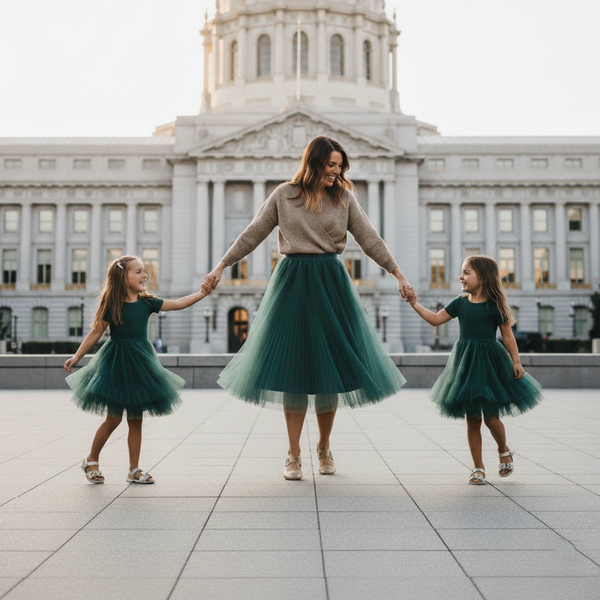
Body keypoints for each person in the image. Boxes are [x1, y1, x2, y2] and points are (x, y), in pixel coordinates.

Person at [204, 136, 416, 481]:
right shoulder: (284, 195)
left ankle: (323, 447)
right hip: (292, 281)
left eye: (339, 165)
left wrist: (397, 273)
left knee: (328, 370)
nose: (336, 171)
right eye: (330, 165)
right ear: (314, 162)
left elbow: (369, 239)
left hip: (331, 282)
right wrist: (221, 266)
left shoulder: (344, 198)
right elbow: (252, 233)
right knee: (293, 370)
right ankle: (292, 454)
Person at [64, 255, 212, 485]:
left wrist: (202, 293)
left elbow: (178, 303)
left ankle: (134, 469)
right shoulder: (111, 304)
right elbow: (95, 333)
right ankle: (91, 460)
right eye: (139, 271)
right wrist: (77, 356)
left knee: (136, 420)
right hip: (115, 364)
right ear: (124, 277)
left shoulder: (147, 302)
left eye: (144, 271)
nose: (145, 275)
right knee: (113, 419)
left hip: (140, 364)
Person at [406, 255, 543, 484]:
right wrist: (414, 303)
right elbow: (436, 319)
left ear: (483, 277)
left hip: (490, 364)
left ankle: (503, 450)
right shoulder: (460, 303)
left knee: (491, 418)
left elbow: (508, 336)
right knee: (472, 419)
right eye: (462, 272)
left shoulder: (494, 306)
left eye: (467, 272)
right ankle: (478, 467)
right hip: (466, 364)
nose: (461, 276)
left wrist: (516, 362)